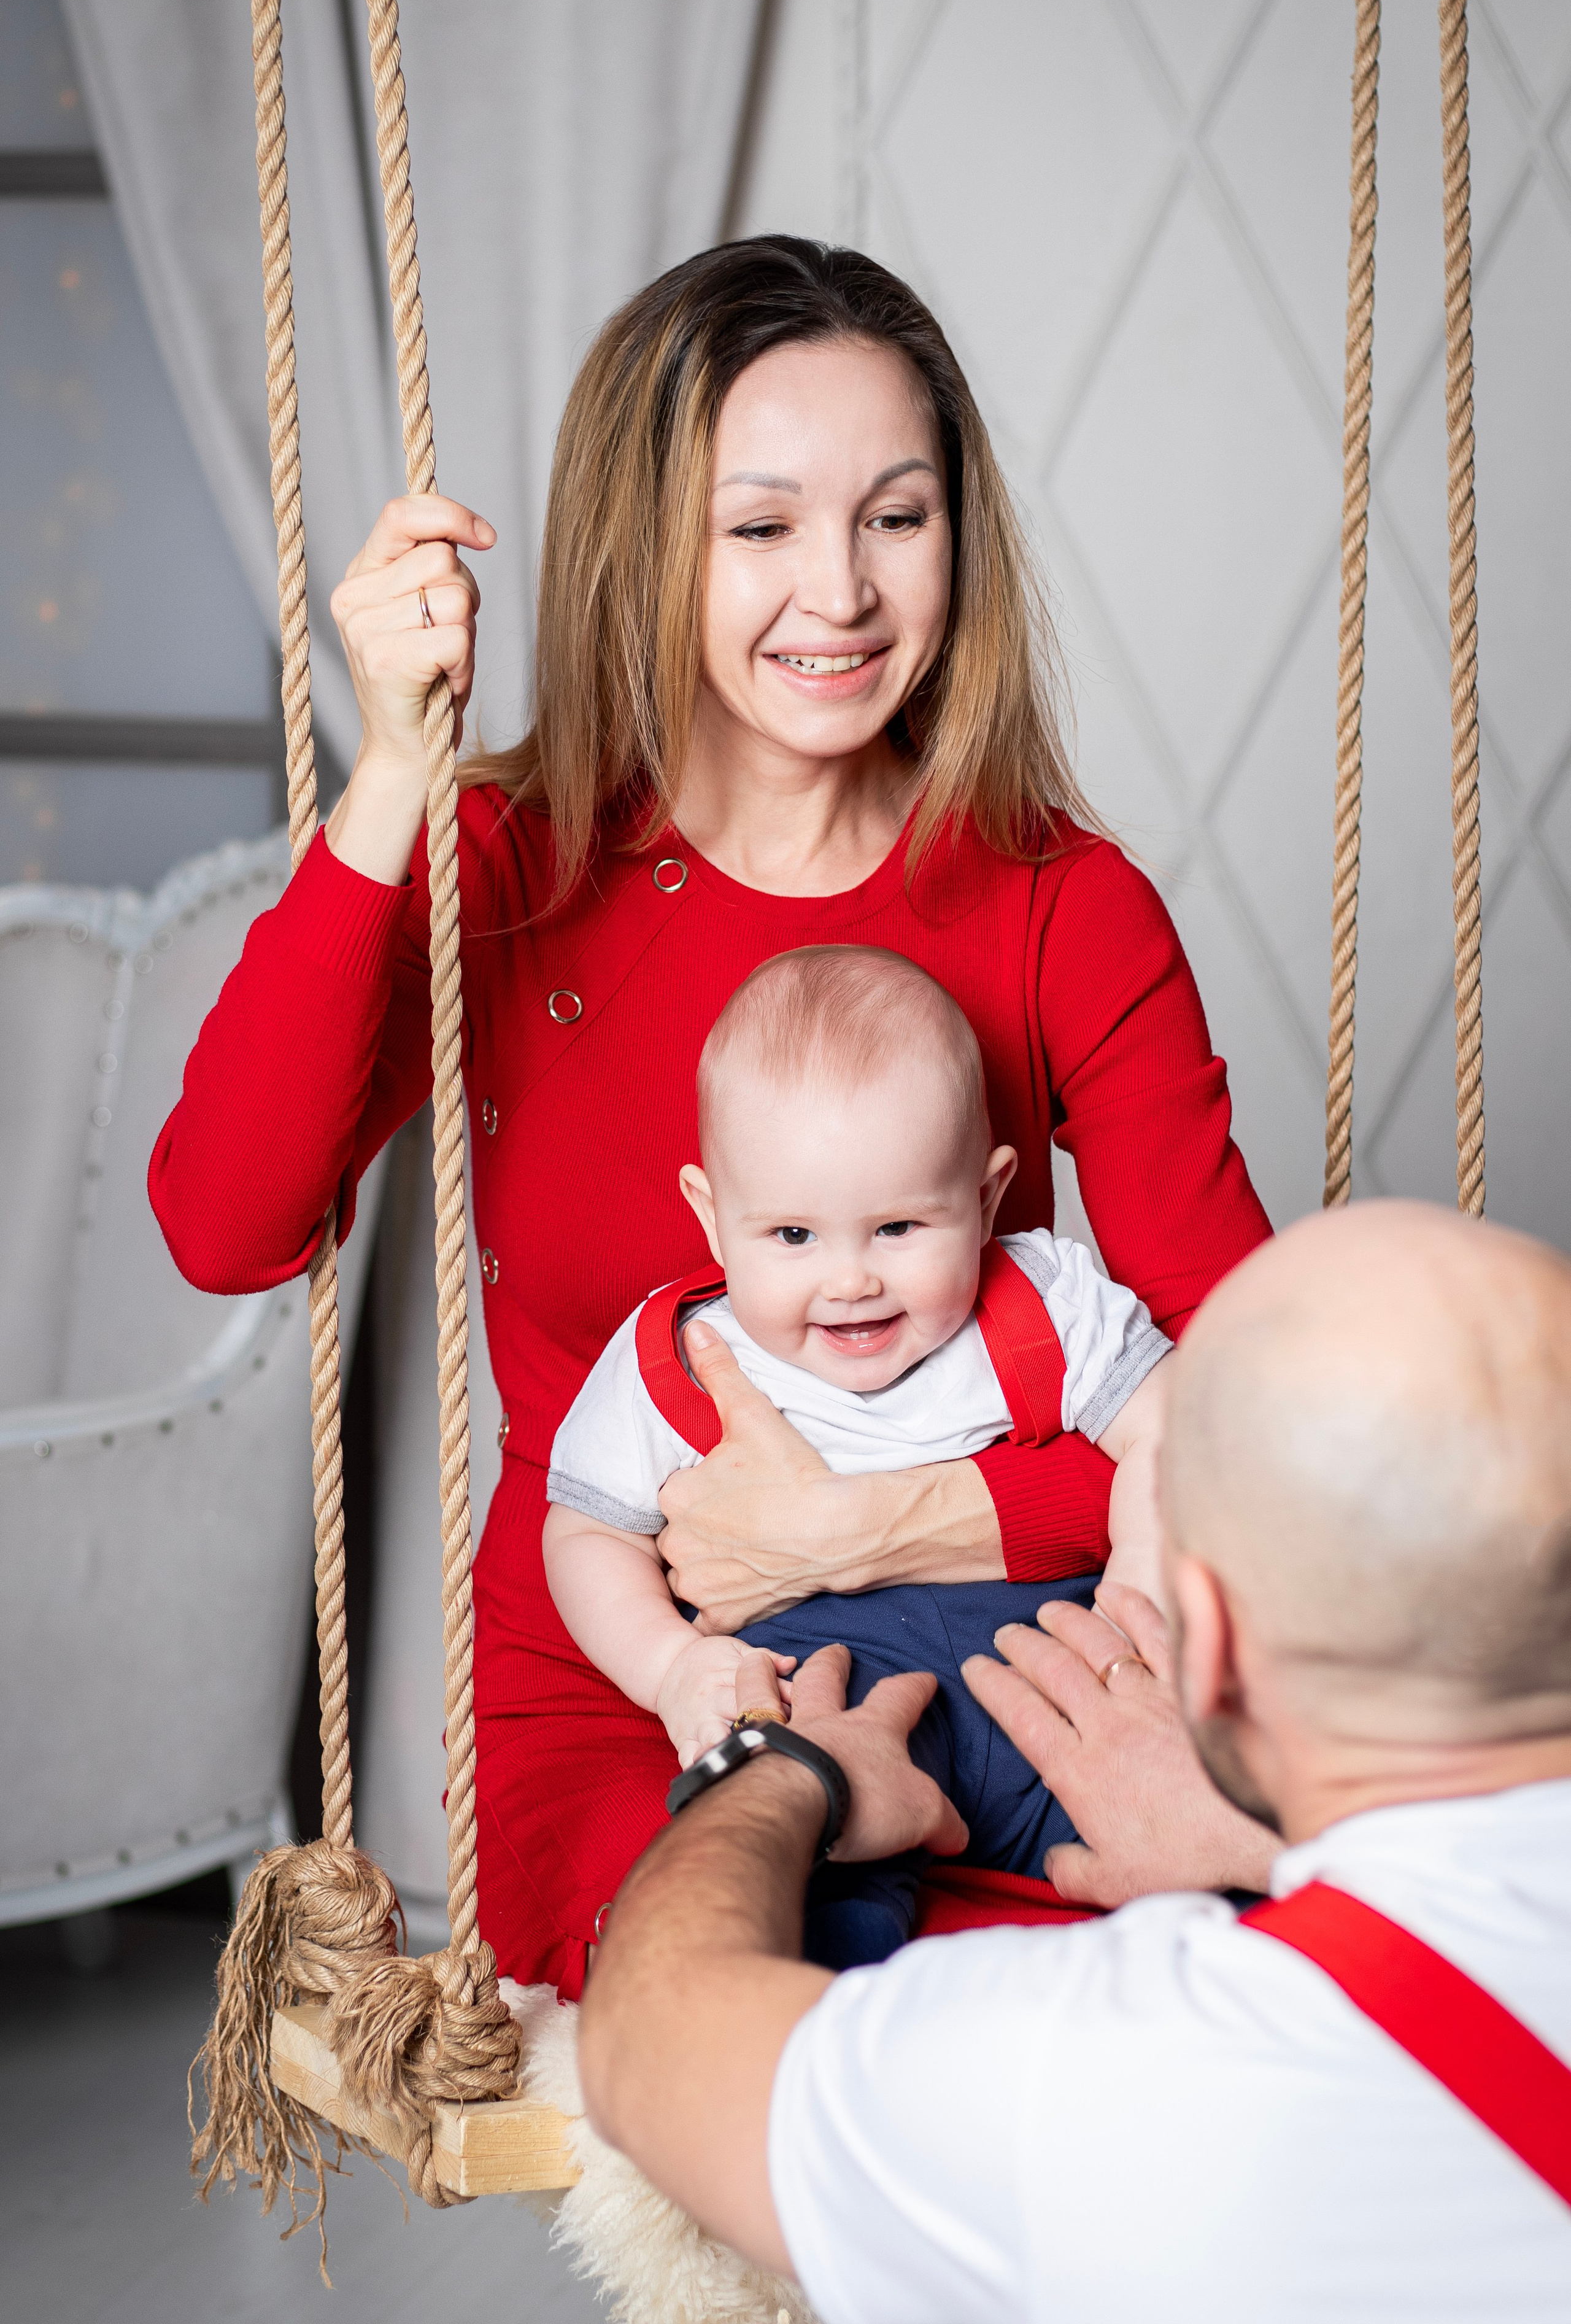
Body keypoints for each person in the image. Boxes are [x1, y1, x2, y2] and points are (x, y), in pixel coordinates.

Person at [149, 235, 1269, 2000]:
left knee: (1146, 1991)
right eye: (762, 527)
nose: (842, 591)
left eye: (896, 517)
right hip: (639, 1686)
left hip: (1004, 1661)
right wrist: (391, 777)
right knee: (769, 1989)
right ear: (647, 543)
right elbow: (228, 1222)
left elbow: (1252, 1409)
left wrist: (892, 1527)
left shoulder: (1064, 903)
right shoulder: (508, 872)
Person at [578, 1203, 1571, 2320]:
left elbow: (653, 2046)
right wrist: (1255, 1841)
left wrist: (790, 1771)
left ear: (1205, 1634)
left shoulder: (1110, 2073)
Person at [545, 942, 1172, 1965]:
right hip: (830, 1689)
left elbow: (1173, 1427)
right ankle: (812, 2011)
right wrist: (671, 1667)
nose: (849, 1281)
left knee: (1191, 1831)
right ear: (712, 1218)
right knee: (800, 1853)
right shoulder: (680, 1357)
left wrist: (1139, 1599)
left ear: (988, 1197)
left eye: (897, 1227)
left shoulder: (1044, 1303)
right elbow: (585, 1533)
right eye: (793, 1236)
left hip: (1056, 1672)